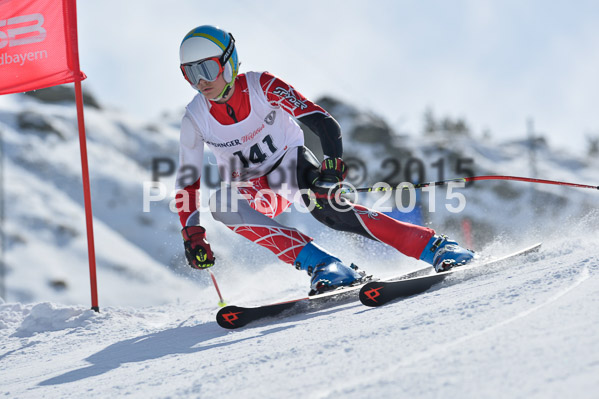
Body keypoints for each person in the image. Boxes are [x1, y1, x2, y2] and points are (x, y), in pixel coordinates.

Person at [175, 25, 474, 295]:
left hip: (289, 168)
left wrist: (331, 168)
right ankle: (324, 265)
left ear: (229, 62)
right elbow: (188, 182)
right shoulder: (196, 118)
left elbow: (321, 121)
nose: (201, 81)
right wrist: (192, 233)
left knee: (328, 207)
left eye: (207, 69)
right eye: (190, 73)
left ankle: (435, 246)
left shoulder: (261, 86)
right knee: (221, 205)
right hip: (253, 191)